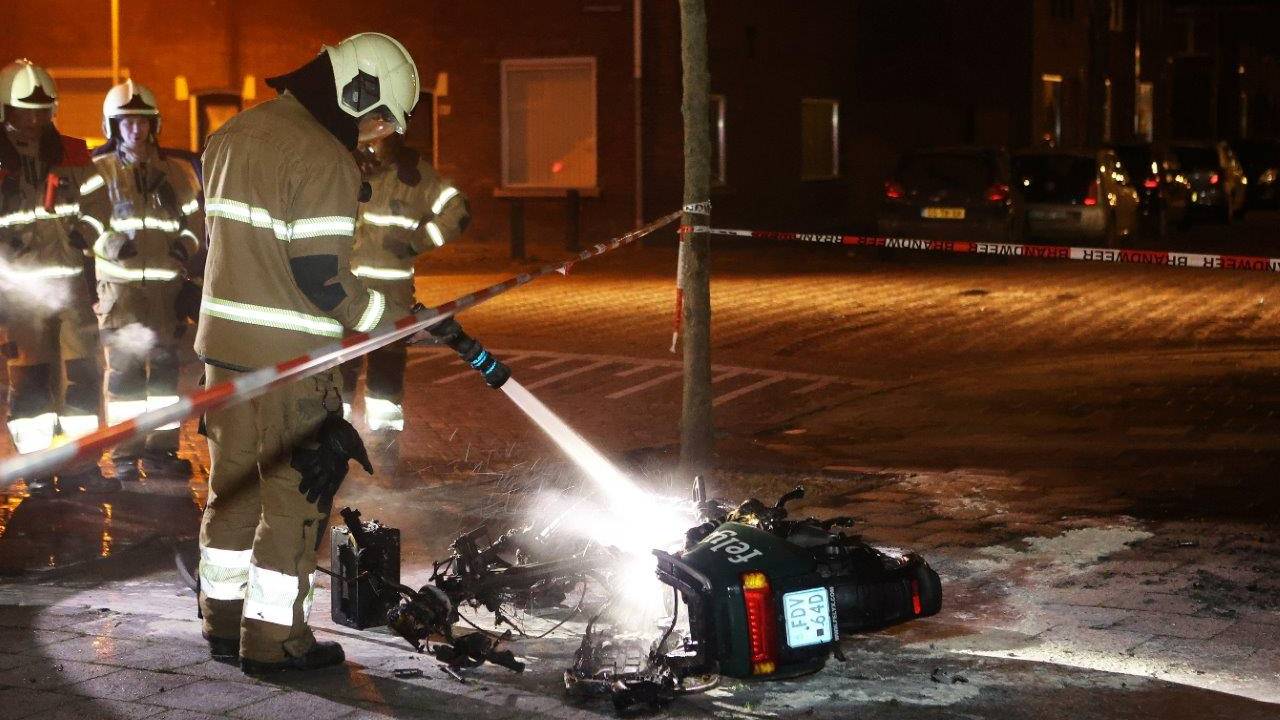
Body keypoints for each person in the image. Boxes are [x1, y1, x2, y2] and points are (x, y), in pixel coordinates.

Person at [195, 32, 419, 674]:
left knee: (232, 492)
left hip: (224, 355)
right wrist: (389, 322)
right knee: (294, 500)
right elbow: (323, 276)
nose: (376, 134)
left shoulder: (232, 136)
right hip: (291, 362)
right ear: (359, 90)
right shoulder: (323, 155)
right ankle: (275, 640)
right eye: (380, 117)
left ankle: (222, 622)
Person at [0, 59, 113, 493]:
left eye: (42, 111)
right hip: (20, 295)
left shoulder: (72, 154)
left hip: (69, 289)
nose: (34, 120)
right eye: (24, 111)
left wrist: (85, 236)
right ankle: (37, 468)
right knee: (30, 382)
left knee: (83, 375)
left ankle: (80, 465)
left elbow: (100, 207)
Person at [92, 79, 204, 480]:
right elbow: (86, 222)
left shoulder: (176, 173)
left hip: (165, 294)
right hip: (120, 294)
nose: (135, 130)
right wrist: (112, 244)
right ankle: (124, 454)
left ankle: (160, 451)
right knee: (123, 377)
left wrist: (185, 248)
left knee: (164, 377)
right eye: (127, 122)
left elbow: (195, 222)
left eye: (142, 122)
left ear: (153, 125)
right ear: (113, 126)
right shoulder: (99, 173)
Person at [341, 129, 469, 460]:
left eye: (377, 135)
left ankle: (384, 442)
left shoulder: (415, 175)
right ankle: (333, 439)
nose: (370, 144)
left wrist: (417, 242)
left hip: (389, 295)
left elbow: (458, 210)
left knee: (386, 366)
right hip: (346, 292)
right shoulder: (347, 168)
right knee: (339, 365)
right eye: (366, 136)